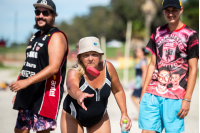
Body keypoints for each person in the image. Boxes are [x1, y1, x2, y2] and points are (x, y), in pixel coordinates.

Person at [138, 0, 199, 132]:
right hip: (152, 93)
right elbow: (152, 64)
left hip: (176, 96)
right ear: (163, 12)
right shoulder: (157, 32)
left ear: (181, 10)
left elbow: (194, 69)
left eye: (174, 10)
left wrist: (187, 99)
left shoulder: (191, 35)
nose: (171, 14)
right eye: (167, 11)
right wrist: (144, 92)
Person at [9, 0, 68, 132]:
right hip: (28, 92)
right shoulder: (35, 36)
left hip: (46, 95)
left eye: (45, 12)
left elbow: (54, 67)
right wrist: (20, 89)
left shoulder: (56, 36)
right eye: (37, 12)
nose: (40, 16)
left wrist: (26, 82)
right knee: (19, 130)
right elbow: (28, 65)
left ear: (53, 15)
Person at [60, 36, 132, 133]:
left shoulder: (108, 68)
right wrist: (78, 94)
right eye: (86, 55)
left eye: (94, 54)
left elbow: (118, 90)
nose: (90, 58)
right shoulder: (74, 71)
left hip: (99, 118)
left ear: (100, 56)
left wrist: (124, 113)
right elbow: (71, 86)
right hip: (73, 117)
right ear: (80, 57)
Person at [131, 47, 147, 120]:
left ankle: (140, 113)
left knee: (133, 96)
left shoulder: (143, 61)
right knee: (137, 97)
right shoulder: (140, 60)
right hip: (138, 82)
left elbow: (144, 72)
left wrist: (142, 83)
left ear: (143, 52)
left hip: (140, 83)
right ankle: (140, 113)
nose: (136, 52)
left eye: (138, 51)